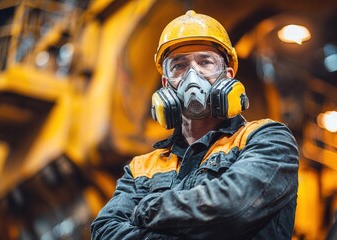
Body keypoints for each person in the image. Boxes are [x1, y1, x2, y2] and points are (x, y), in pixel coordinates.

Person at [91, 10, 299, 240]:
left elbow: (231, 210)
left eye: (205, 62)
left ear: (228, 76)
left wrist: (148, 209)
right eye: (179, 65)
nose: (193, 75)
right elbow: (104, 231)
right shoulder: (141, 167)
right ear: (165, 84)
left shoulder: (267, 139)